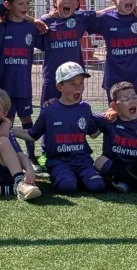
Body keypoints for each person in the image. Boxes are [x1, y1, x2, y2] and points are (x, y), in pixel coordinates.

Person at [27, 62, 103, 196]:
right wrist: (10, 130)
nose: (78, 87)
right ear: (60, 87)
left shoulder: (85, 108)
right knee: (67, 186)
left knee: (98, 185)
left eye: (81, 83)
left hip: (83, 161)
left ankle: (81, 177)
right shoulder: (49, 110)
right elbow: (33, 134)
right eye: (72, 84)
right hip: (59, 162)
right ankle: (67, 177)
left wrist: (110, 117)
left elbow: (94, 133)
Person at [0, 0, 47, 157]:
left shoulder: (31, 28)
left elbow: (45, 43)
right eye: (21, 3)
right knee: (6, 121)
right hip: (4, 86)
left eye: (28, 3)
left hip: (23, 84)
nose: (25, 7)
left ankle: (31, 156)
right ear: (9, 5)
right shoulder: (0, 27)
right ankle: (11, 156)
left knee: (27, 119)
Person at [93, 0, 137, 96]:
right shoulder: (105, 19)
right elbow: (82, 18)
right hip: (114, 76)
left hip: (136, 76)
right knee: (115, 107)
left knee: (134, 107)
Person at [38, 0, 96, 104]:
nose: (67, 1)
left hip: (75, 78)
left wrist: (128, 7)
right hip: (52, 77)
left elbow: (102, 13)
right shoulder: (45, 21)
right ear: (55, 1)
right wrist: (34, 20)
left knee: (73, 109)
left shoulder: (81, 19)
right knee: (48, 109)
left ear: (77, 3)